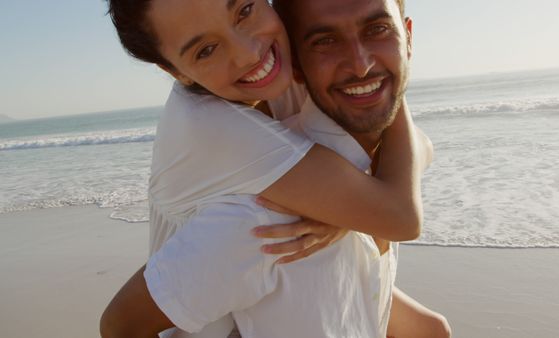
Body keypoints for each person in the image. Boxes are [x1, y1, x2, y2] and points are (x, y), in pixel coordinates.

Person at [100, 0, 449, 337]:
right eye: (205, 50)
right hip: (207, 303)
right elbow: (399, 216)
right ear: (173, 70)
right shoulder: (215, 132)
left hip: (266, 281)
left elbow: (417, 144)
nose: (248, 53)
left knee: (431, 329)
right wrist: (353, 211)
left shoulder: (282, 69)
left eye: (245, 10)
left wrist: (394, 68)